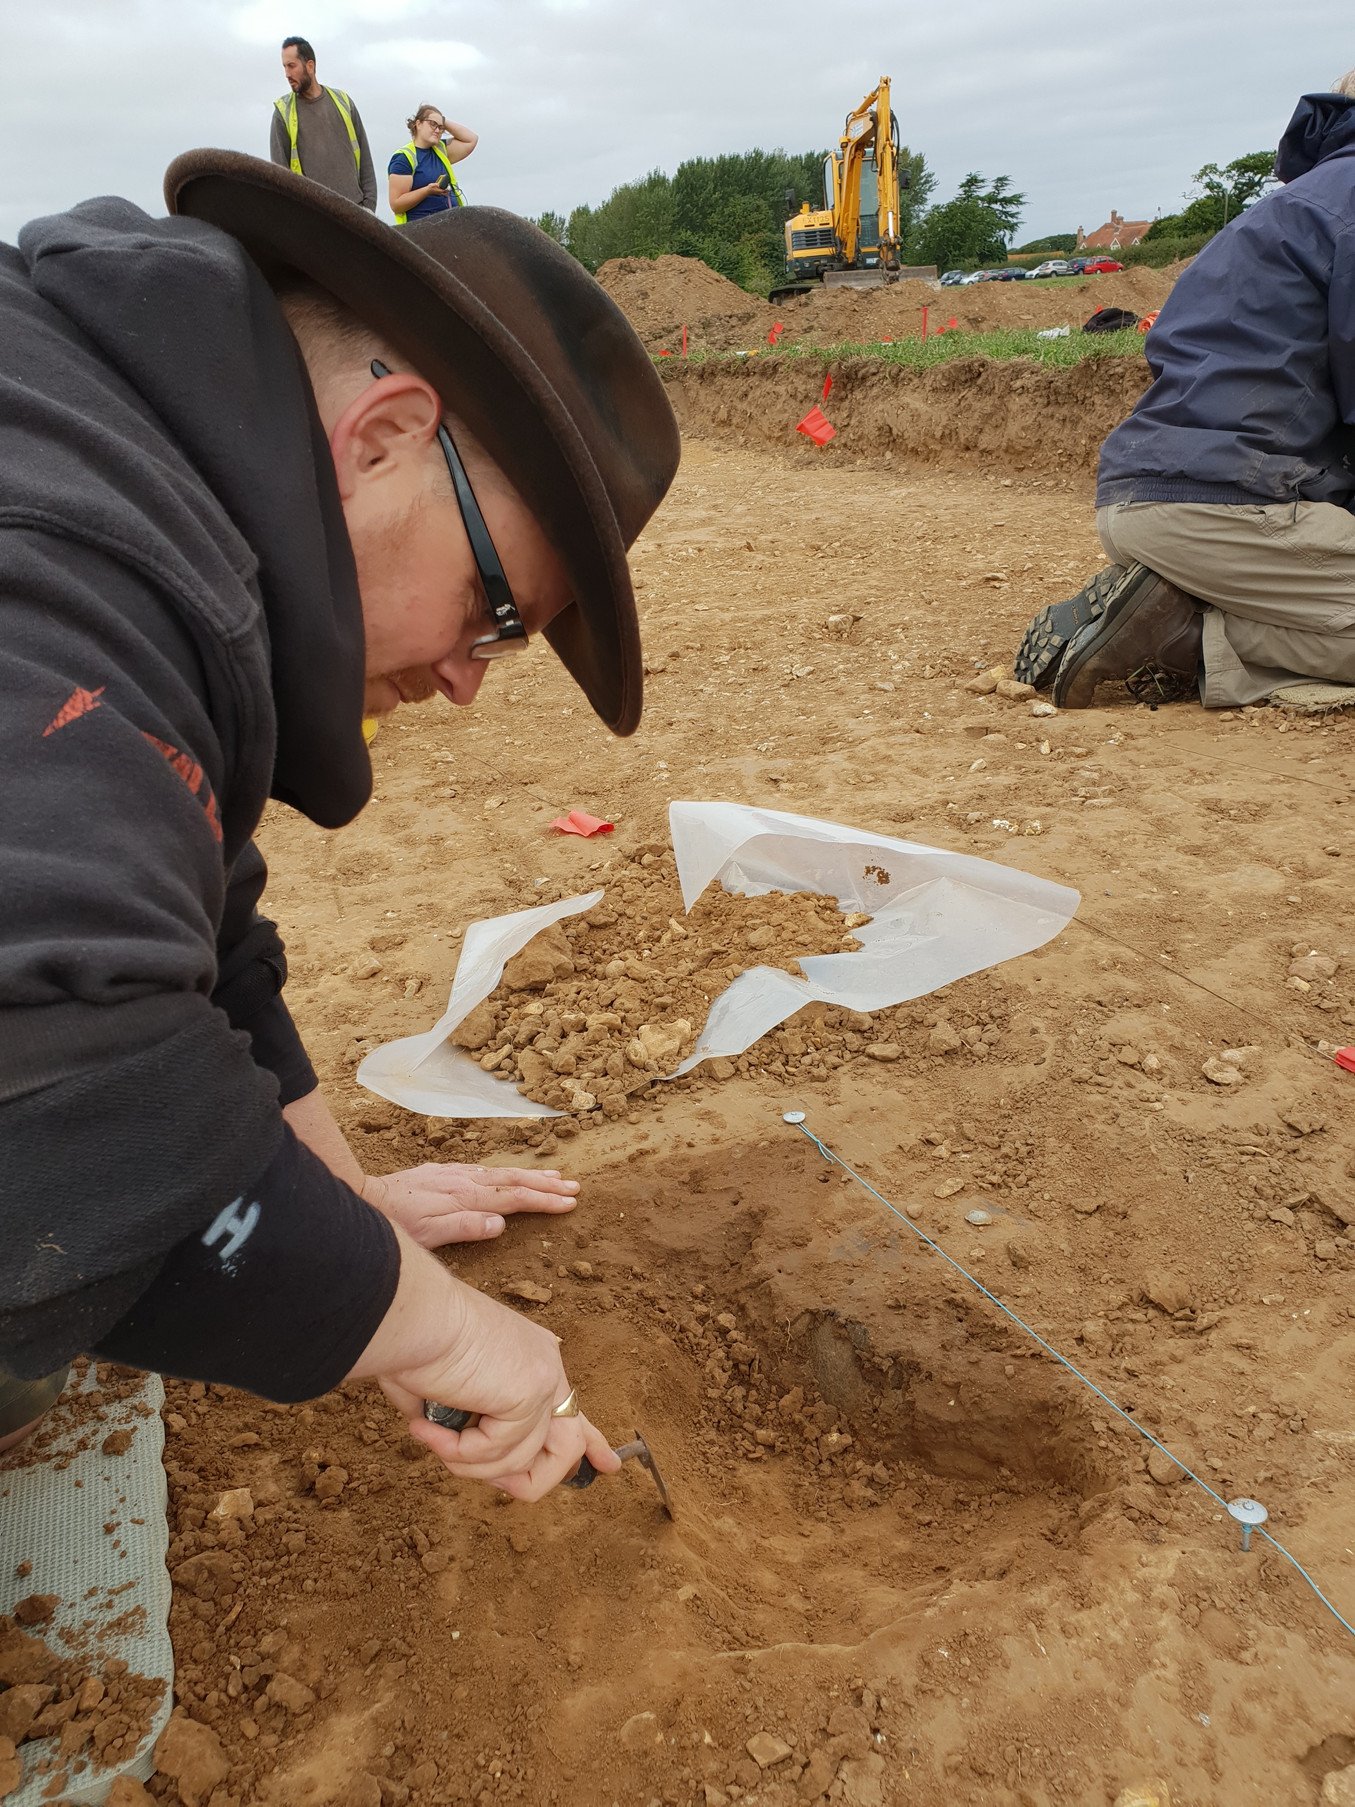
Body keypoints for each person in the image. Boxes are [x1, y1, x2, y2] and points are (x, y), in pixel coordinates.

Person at [0, 151, 680, 1499]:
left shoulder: (123, 469)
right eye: (498, 613)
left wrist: (345, 1213)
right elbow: (42, 1112)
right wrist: (423, 1321)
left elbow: (200, 913)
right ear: (380, 440)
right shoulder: (59, 552)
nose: (467, 678)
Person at [1014, 70, 1355, 710]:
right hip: (1232, 509)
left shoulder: (1293, 205)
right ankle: (1188, 633)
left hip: (1143, 497)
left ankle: (1167, 607)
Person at [270, 35, 377, 214]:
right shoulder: (283, 113)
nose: (287, 74)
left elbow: (365, 157)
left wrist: (369, 207)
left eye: (292, 66)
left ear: (310, 66)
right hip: (314, 219)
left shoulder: (343, 102)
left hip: (356, 214)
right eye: (284, 67)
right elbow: (279, 177)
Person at [389, 105, 478, 225]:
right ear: (418, 124)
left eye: (441, 128)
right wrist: (427, 191)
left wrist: (442, 120)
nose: (437, 130)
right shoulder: (404, 158)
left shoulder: (441, 149)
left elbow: (471, 139)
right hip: (419, 231)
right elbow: (396, 205)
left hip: (451, 226)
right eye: (432, 124)